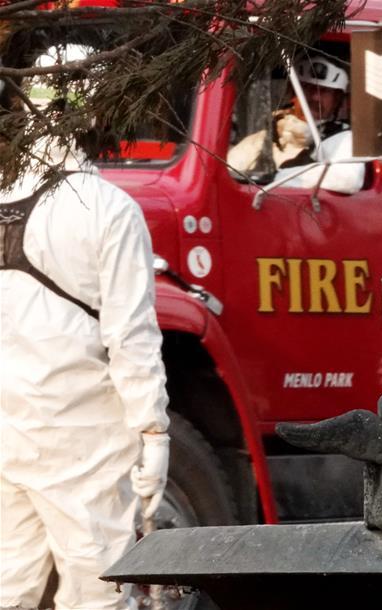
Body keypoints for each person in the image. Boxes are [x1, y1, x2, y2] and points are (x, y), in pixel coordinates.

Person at [1, 80, 170, 608]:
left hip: (7, 429)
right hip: (82, 436)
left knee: (8, 584)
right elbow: (131, 335)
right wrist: (154, 432)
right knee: (97, 592)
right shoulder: (109, 208)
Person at [273, 54, 364, 195]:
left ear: (337, 99)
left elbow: (348, 179)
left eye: (324, 91)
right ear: (293, 92)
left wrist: (279, 178)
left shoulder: (343, 139)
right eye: (308, 87)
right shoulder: (262, 138)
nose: (315, 97)